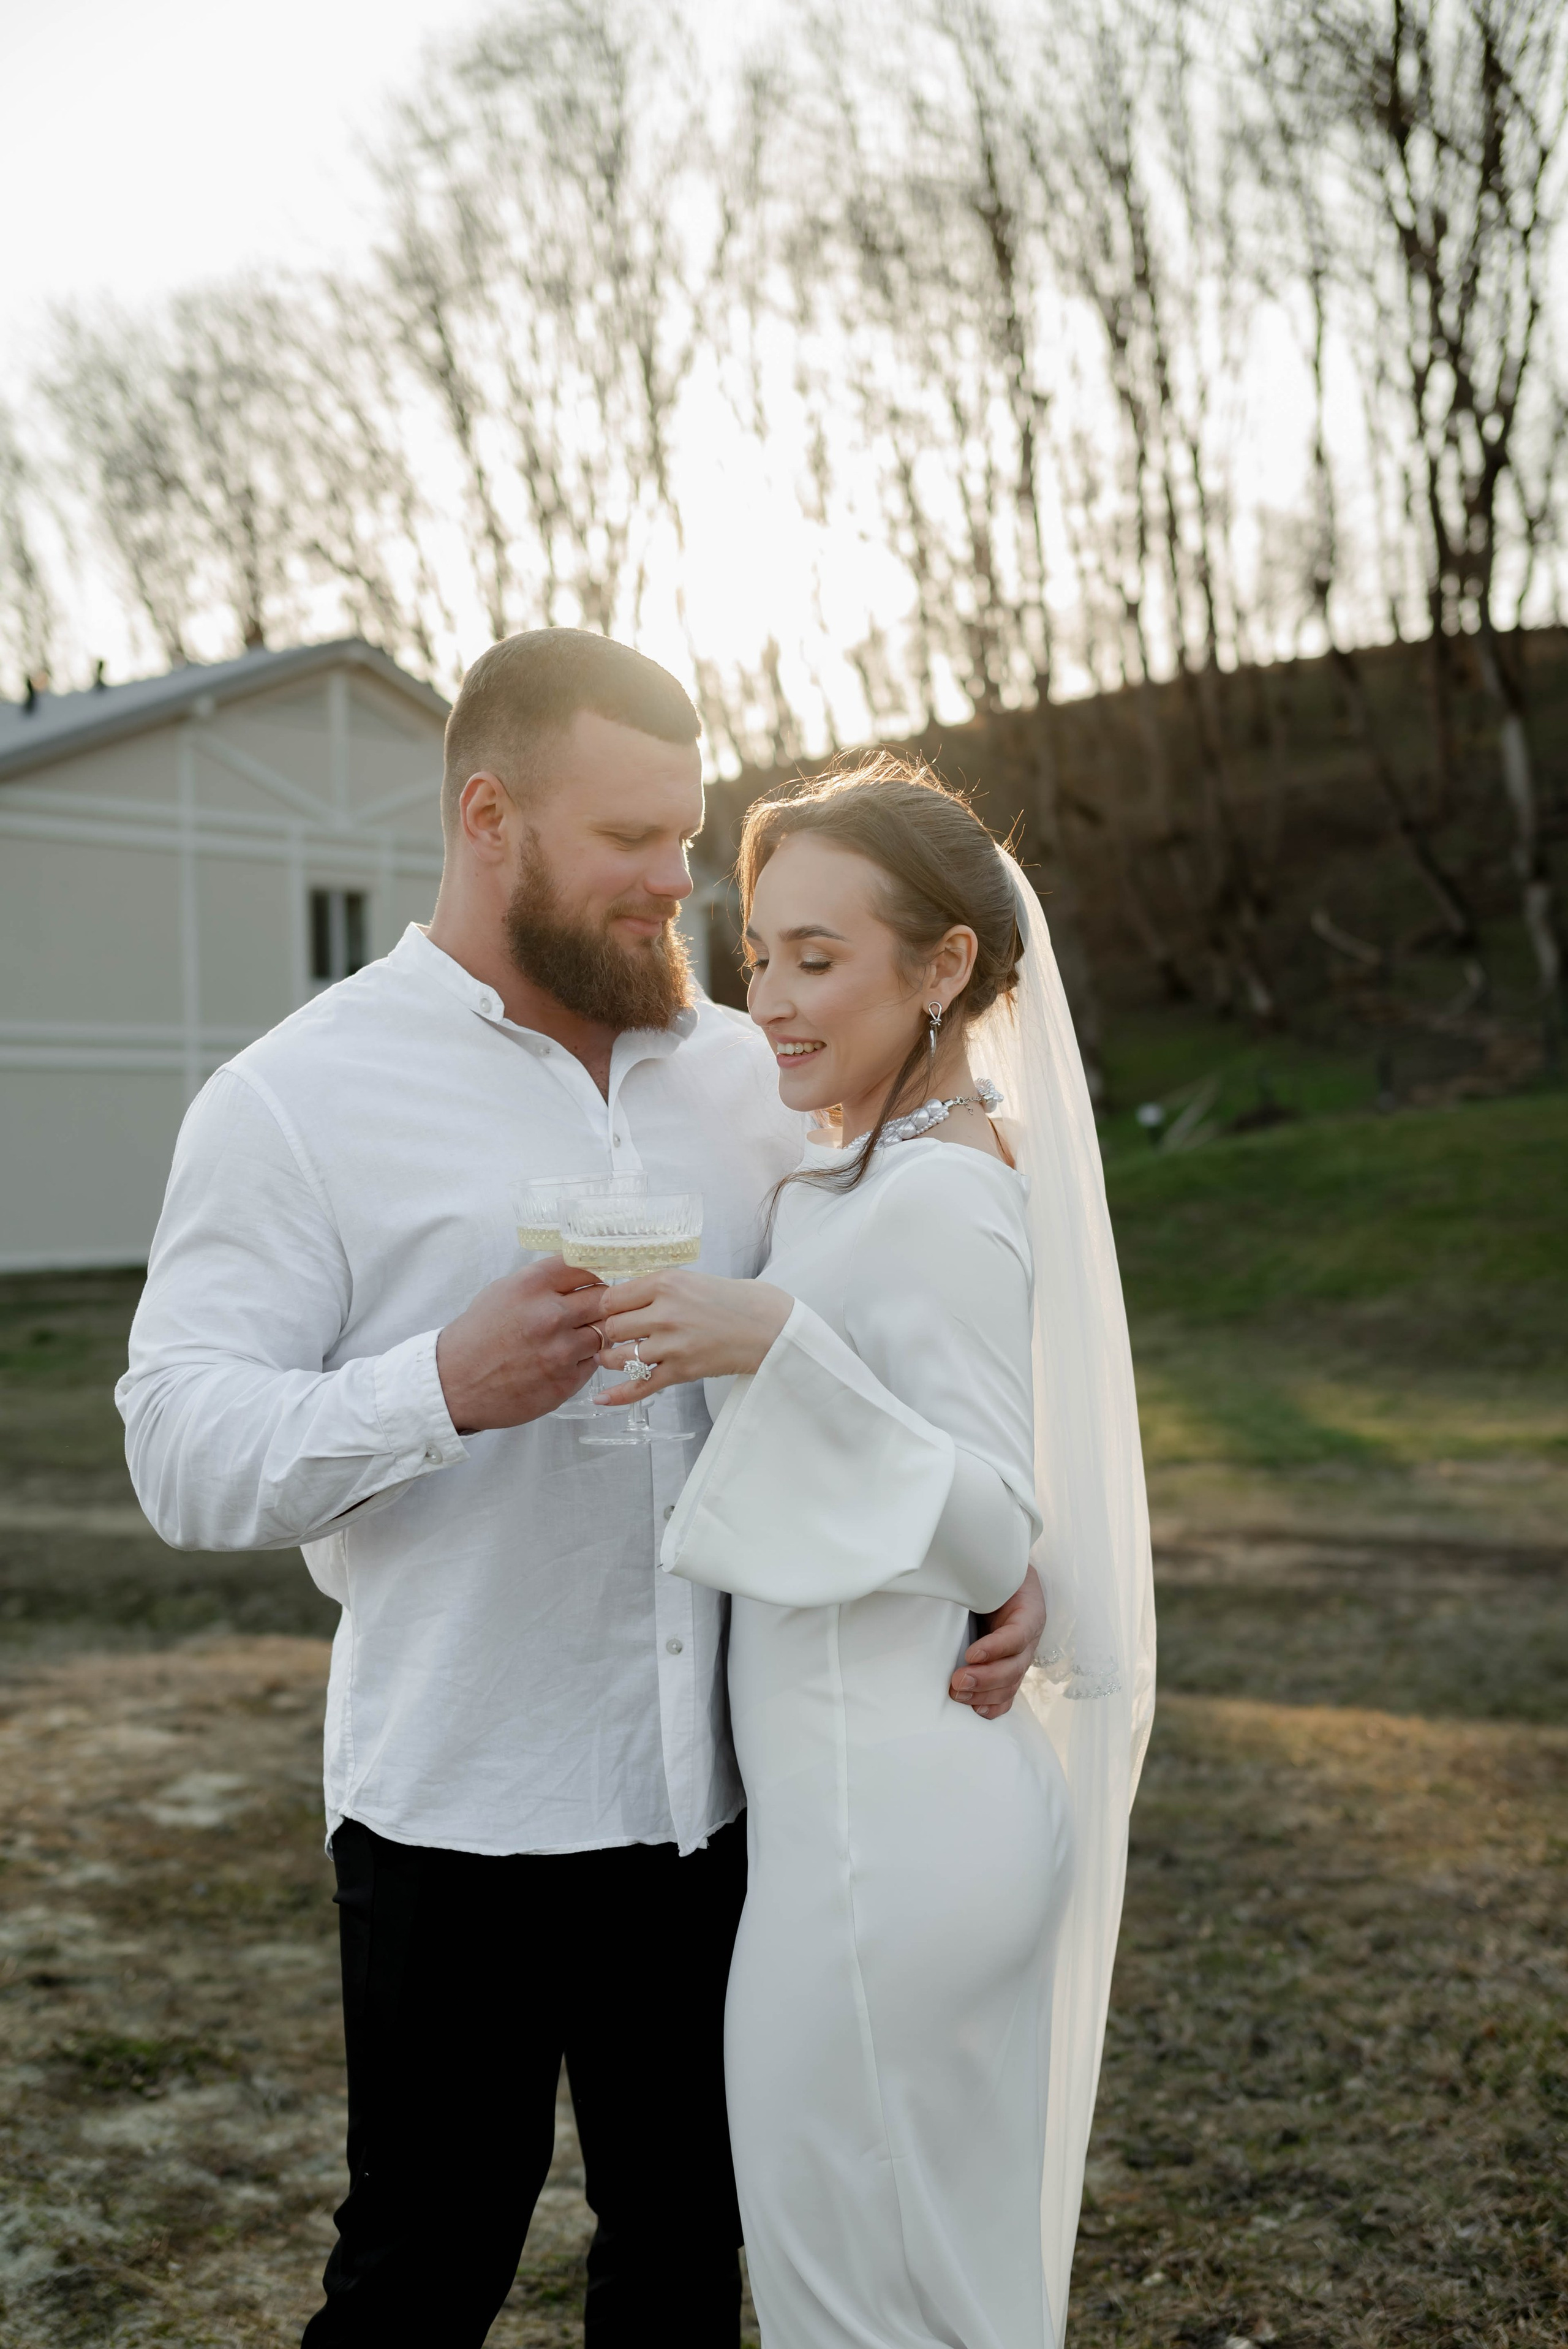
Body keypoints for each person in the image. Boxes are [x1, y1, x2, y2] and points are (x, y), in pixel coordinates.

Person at [115, 633, 1047, 2348]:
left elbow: (883, 1338)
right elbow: (176, 1442)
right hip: (455, 1809)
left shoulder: (741, 1077)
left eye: (684, 839)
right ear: (492, 819)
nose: (672, 887)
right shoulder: (297, 1099)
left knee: (686, 2266)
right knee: (419, 2273)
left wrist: (993, 1553)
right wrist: (435, 1387)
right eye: (632, 839)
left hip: (715, 1811)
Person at [593, 755, 1158, 2348]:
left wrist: (768, 1339)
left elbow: (990, 1516)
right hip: (893, 1822)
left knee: (854, 2302)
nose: (767, 995)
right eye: (758, 948)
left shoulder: (941, 1203)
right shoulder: (881, 1166)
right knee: (931, 2295)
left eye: (818, 958)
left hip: (878, 1847)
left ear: (947, 966)